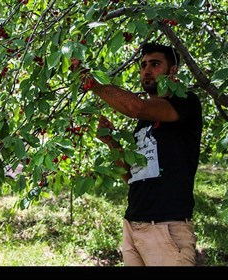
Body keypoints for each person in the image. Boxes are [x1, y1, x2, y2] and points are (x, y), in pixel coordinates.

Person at [72, 43, 202, 266]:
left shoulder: (185, 102)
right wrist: (111, 142)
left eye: (155, 64)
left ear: (173, 70)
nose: (147, 70)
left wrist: (88, 79)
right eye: (143, 65)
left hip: (166, 228)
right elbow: (131, 176)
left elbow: (135, 107)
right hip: (133, 225)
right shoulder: (144, 123)